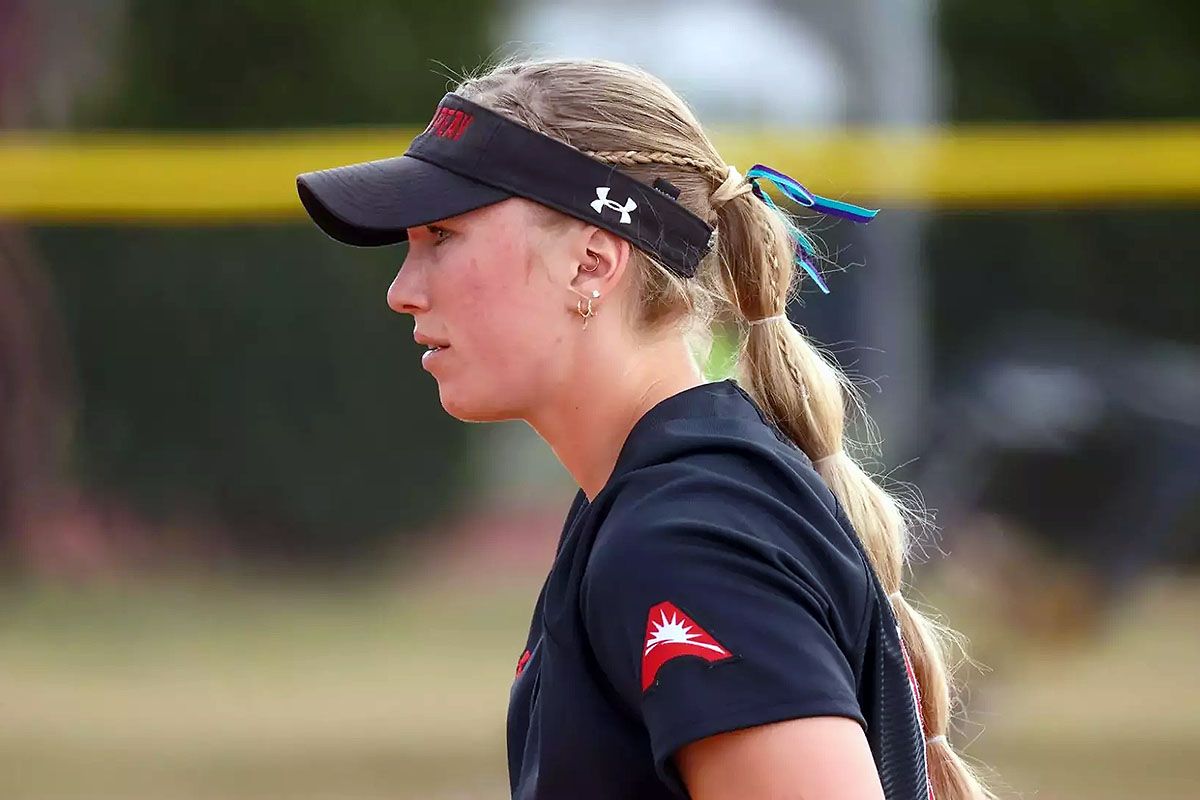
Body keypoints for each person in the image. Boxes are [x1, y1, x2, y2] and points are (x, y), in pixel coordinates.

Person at [296, 58, 993, 800]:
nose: (403, 291)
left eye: (442, 235)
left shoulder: (686, 536)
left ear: (591, 263)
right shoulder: (646, 502)